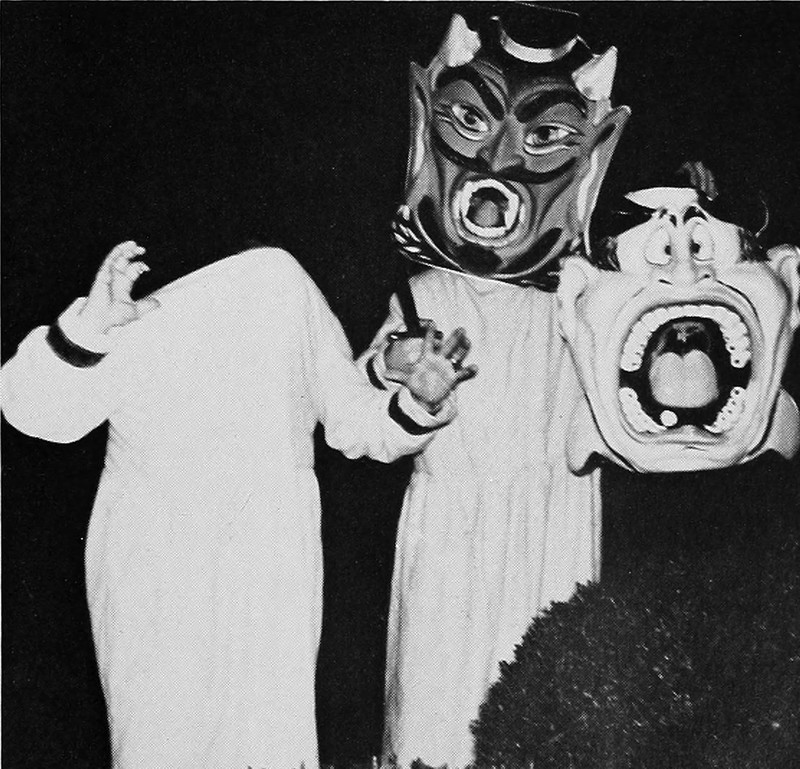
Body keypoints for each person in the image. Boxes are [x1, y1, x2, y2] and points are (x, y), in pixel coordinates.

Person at [1, 240, 476, 769]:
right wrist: (89, 328)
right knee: (160, 745)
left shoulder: (282, 281)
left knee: (270, 746)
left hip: (270, 561)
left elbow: (352, 419)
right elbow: (36, 411)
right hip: (160, 567)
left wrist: (418, 400)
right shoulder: (134, 304)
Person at [359, 7, 629, 767]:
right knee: (435, 720)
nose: (502, 167)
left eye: (542, 140)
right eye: (473, 126)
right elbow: (363, 427)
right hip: (449, 537)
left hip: (552, 532)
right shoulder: (426, 297)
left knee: (549, 720)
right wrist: (403, 377)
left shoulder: (582, 301)